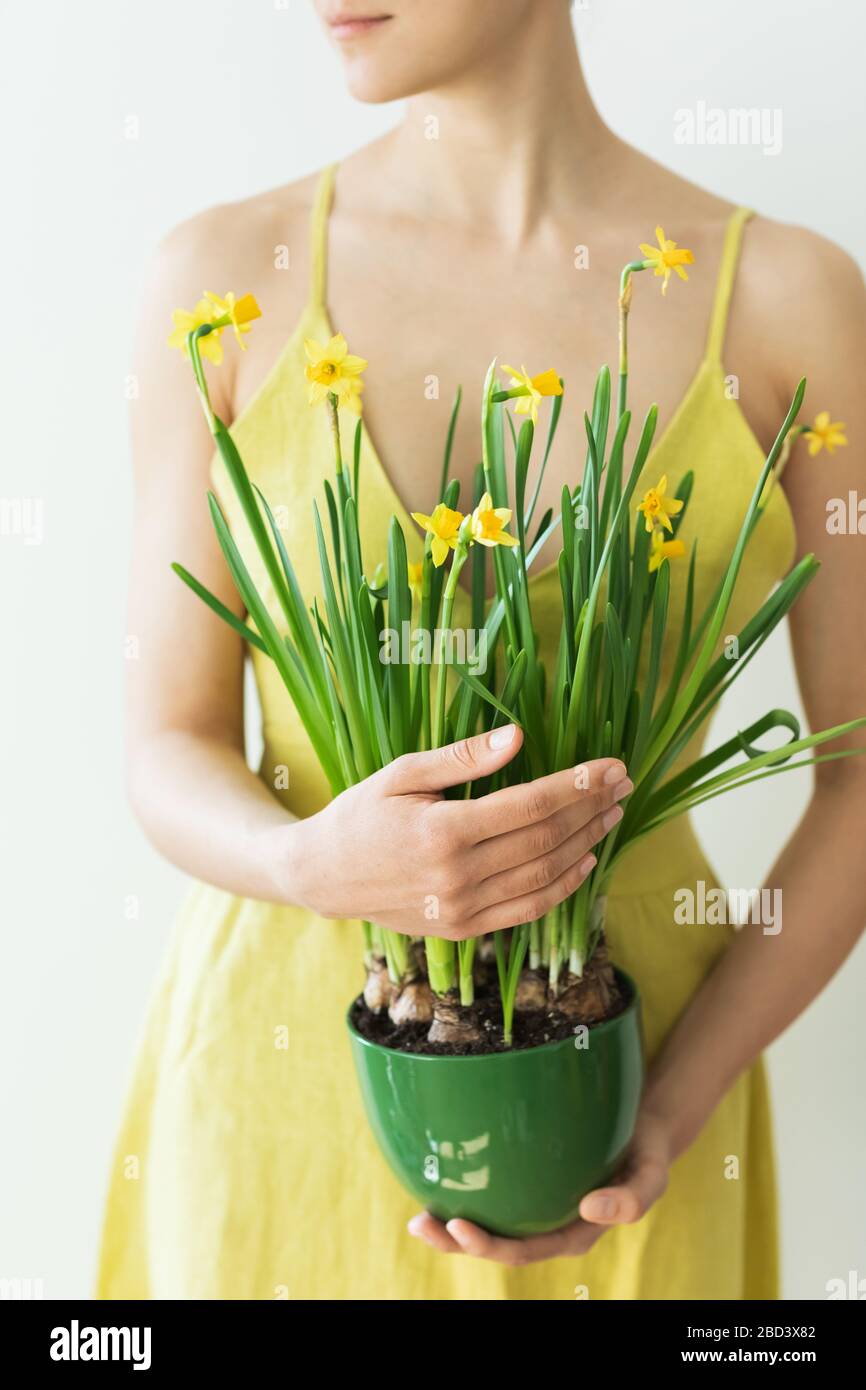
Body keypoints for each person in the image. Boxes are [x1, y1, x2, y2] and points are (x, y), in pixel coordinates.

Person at [97, 0, 866, 1299]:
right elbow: (163, 739)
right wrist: (306, 859)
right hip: (273, 1086)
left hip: (623, 1095)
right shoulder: (222, 283)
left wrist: (667, 1108)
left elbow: (857, 763)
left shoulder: (789, 301)